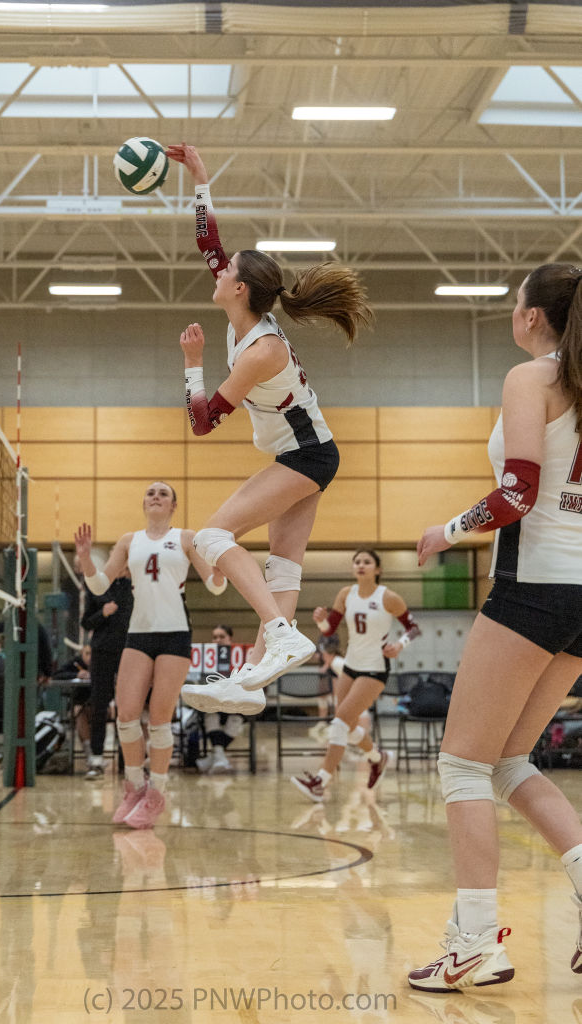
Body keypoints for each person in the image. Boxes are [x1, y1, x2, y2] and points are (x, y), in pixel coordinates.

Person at [409, 262, 582, 993]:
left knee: (462, 765)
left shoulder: (531, 378)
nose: (513, 312)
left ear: (533, 316)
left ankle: (475, 942)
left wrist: (446, 531)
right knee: (508, 761)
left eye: (515, 303)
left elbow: (517, 493)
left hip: (533, 588)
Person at [166, 143, 372, 715]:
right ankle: (251, 684)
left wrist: (192, 365)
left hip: (305, 456)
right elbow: (210, 244)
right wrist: (201, 181)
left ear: (240, 289)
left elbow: (203, 423)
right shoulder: (247, 314)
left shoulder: (259, 351)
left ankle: (280, 633)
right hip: (311, 454)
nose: (219, 269)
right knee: (282, 567)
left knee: (211, 539)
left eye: (228, 270)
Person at [74, 481, 231, 829]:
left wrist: (222, 566)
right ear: (144, 504)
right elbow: (99, 585)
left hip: (175, 634)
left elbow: (216, 586)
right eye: (150, 493)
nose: (156, 496)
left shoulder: (187, 538)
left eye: (163, 493)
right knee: (126, 715)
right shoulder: (129, 541)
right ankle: (134, 788)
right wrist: (85, 559)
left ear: (173, 505)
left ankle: (156, 794)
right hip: (139, 634)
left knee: (159, 719)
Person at [292, 549, 420, 801]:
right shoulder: (345, 594)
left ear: (377, 569)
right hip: (351, 666)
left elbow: (413, 628)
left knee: (339, 723)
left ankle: (320, 782)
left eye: (367, 562)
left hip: (375, 668)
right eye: (357, 562)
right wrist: (321, 621)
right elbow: (329, 630)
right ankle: (377, 758)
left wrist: (400, 645)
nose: (361, 565)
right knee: (347, 726)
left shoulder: (388, 598)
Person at [80, 565, 133, 779]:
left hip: (129, 651)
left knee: (128, 707)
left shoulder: (135, 586)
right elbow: (86, 622)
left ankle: (129, 761)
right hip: (102, 651)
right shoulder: (97, 587)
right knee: (99, 704)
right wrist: (102, 613)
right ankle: (96, 758)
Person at [197, 625, 245, 774]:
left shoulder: (241, 658)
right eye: (215, 637)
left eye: (222, 636)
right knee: (210, 714)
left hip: (236, 704)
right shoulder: (206, 659)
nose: (218, 640)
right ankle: (219, 756)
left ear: (230, 639)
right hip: (213, 703)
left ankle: (216, 756)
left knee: (236, 717)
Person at [53, 642, 93, 765]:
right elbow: (57, 675)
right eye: (87, 654)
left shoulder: (103, 663)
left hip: (99, 704)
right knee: (80, 714)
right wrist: (76, 674)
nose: (90, 657)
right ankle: (90, 755)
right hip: (79, 703)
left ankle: (97, 753)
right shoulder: (75, 663)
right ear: (82, 653)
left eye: (92, 654)